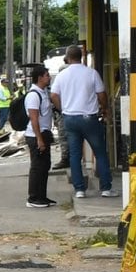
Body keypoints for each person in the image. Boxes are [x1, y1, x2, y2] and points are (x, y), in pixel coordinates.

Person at [50, 45, 113, 200]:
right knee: (100, 153)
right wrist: (105, 109)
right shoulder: (91, 73)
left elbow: (53, 95)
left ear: (67, 57)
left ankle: (79, 190)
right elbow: (102, 94)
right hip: (89, 118)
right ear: (81, 56)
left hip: (70, 119)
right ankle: (105, 188)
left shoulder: (62, 75)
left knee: (75, 155)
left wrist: (63, 108)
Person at [23, 66, 55, 208]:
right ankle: (33, 198)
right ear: (40, 77)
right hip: (36, 134)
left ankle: (42, 195)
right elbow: (34, 119)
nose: (49, 77)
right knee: (37, 166)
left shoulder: (44, 93)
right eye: (47, 75)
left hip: (44, 132)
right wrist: (39, 139)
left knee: (45, 165)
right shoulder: (33, 95)